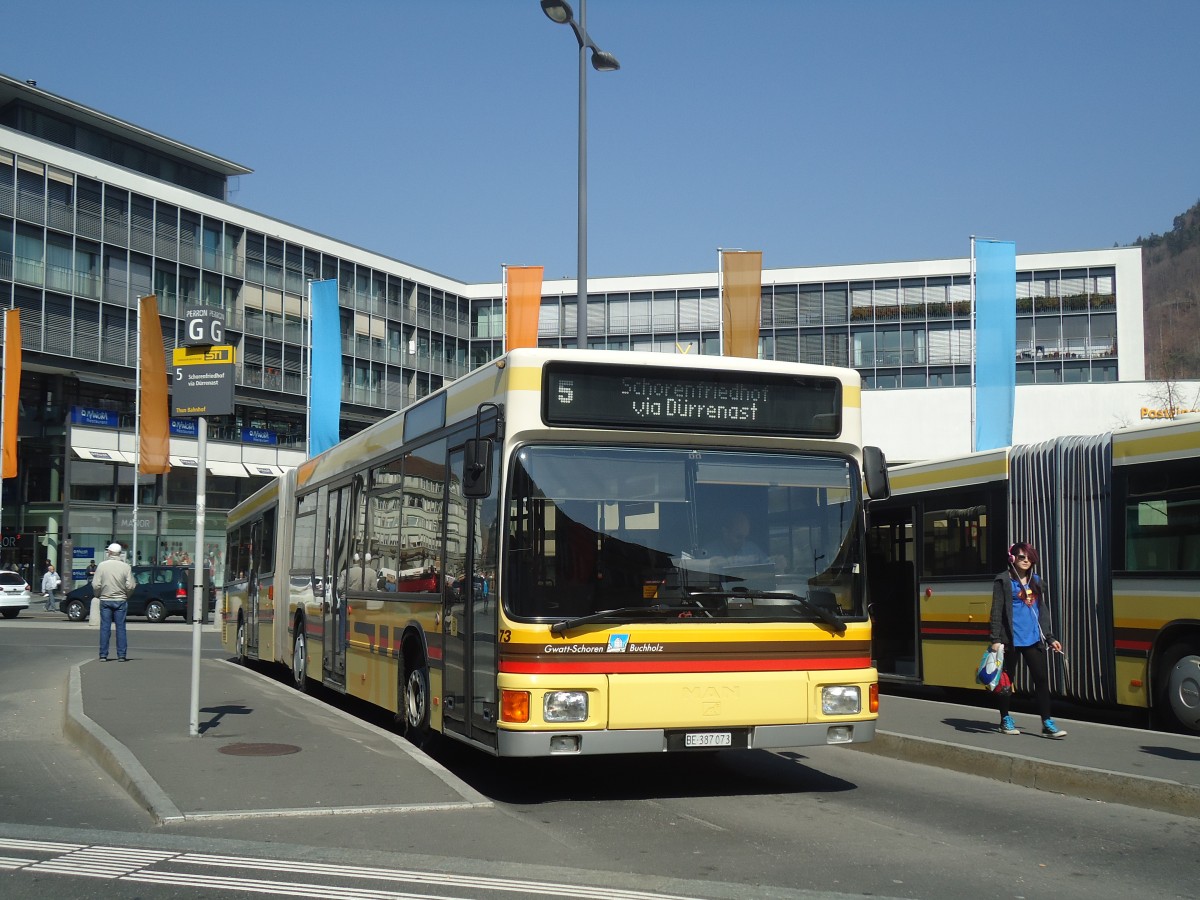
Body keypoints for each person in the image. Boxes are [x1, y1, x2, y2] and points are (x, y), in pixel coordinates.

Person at [988, 541, 1067, 738]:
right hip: (1010, 640)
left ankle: (1047, 722)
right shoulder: (1003, 581)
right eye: (1021, 557)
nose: (1026, 560)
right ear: (1012, 558)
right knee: (1007, 683)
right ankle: (1005, 719)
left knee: (1041, 680)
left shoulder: (1036, 581)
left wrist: (1050, 638)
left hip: (1033, 639)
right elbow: (996, 611)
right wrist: (995, 639)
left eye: (1029, 557)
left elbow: (1042, 611)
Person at [94, 542, 135, 662]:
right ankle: (121, 655)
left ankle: (103, 654)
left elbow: (96, 584)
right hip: (121, 599)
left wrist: (98, 595)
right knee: (121, 628)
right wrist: (126, 595)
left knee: (105, 628)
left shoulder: (102, 566)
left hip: (106, 599)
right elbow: (131, 585)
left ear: (110, 553)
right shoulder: (126, 566)